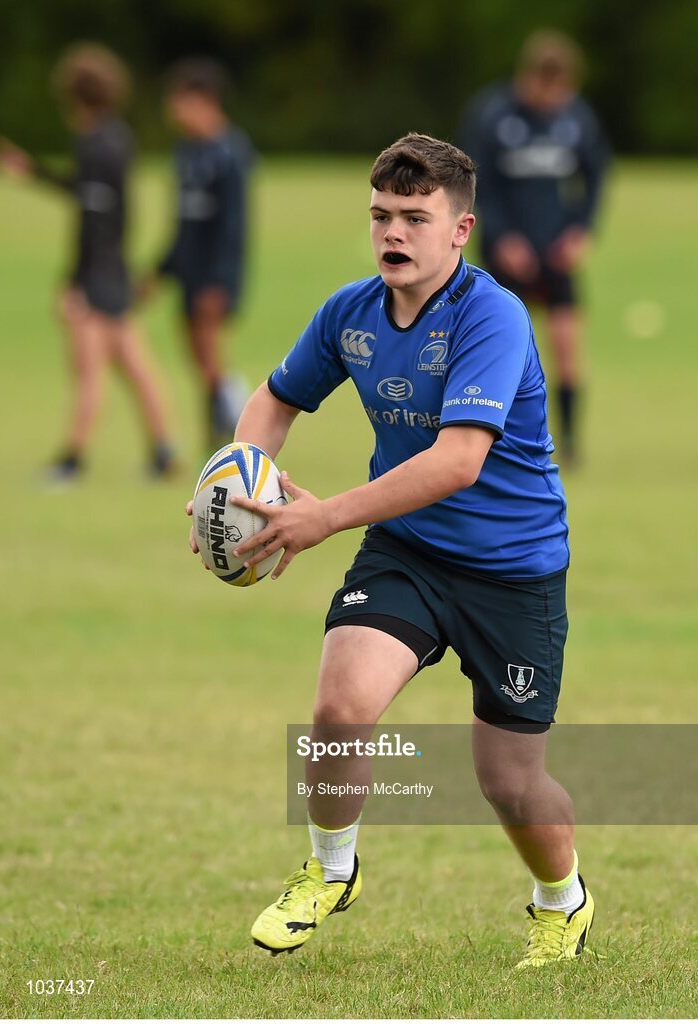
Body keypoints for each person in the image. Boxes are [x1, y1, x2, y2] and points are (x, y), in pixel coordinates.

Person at [187, 134, 594, 967]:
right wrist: (238, 488)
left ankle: (561, 900)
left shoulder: (493, 315)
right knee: (339, 708)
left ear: (460, 230)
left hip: (514, 571)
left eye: (415, 216)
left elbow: (457, 461)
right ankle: (332, 870)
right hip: (405, 552)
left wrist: (324, 515)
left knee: (509, 784)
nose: (393, 233)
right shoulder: (351, 312)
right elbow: (272, 398)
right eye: (380, 215)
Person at [0, 44, 177, 483]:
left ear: (73, 96)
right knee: (135, 366)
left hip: (97, 276)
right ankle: (164, 452)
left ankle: (72, 460)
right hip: (115, 268)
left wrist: (75, 283)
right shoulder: (117, 138)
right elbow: (93, 198)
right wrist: (34, 171)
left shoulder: (94, 144)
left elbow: (91, 218)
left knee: (90, 370)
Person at [458, 30, 610, 464]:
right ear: (528, 78)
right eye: (546, 87)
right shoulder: (492, 115)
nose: (552, 97)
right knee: (499, 352)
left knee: (565, 346)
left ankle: (571, 442)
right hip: (506, 256)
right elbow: (473, 183)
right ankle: (490, 439)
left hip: (556, 252)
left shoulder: (576, 118)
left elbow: (597, 175)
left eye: (562, 89)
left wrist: (581, 230)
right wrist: (502, 236)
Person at [149, 58, 255, 451]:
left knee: (210, 354)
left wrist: (220, 283)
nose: (174, 112)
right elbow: (182, 224)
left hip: (215, 276)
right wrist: (159, 272)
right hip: (188, 272)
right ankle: (223, 420)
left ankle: (233, 429)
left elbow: (233, 228)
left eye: (180, 102)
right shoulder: (185, 153)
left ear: (204, 100)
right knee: (198, 356)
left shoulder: (231, 153)